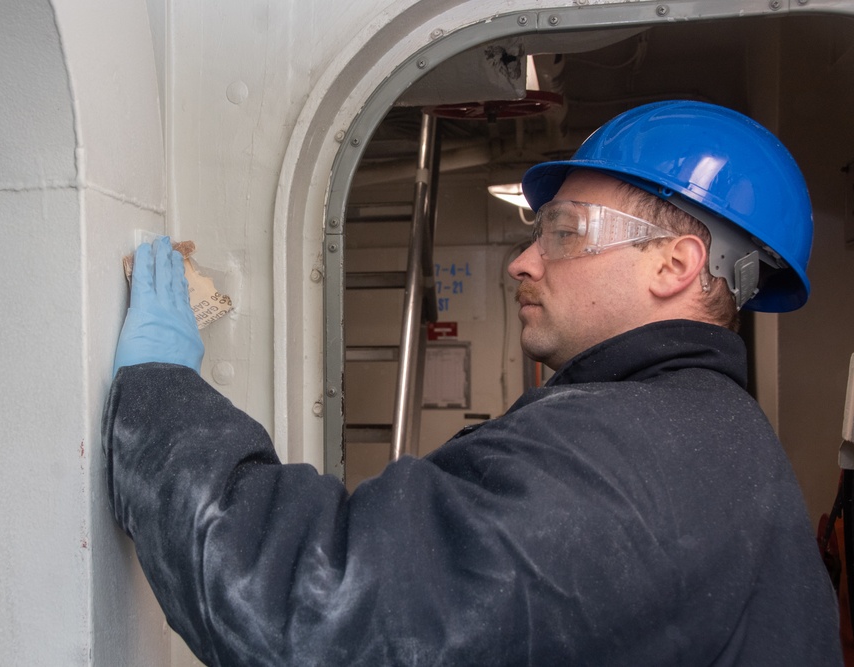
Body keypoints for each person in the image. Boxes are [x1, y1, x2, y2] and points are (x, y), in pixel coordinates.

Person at [102, 101, 842, 666]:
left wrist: (160, 393)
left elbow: (308, 607)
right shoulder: (723, 434)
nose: (523, 261)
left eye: (563, 231)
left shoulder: (617, 458)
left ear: (674, 265)